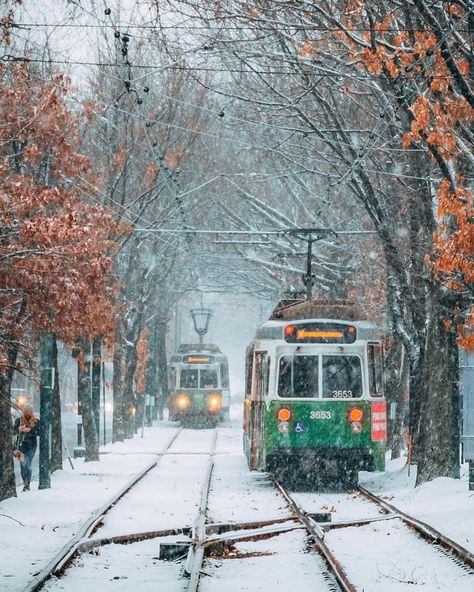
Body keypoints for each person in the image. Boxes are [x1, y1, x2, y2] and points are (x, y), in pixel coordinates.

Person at [13, 406, 40, 491]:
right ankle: (25, 483)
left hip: (31, 446)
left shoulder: (36, 421)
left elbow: (40, 432)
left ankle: (27, 484)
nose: (27, 414)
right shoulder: (19, 421)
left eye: (28, 413)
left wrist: (31, 431)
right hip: (20, 446)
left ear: (31, 413)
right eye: (25, 413)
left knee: (27, 464)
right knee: (22, 465)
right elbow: (13, 431)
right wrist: (19, 429)